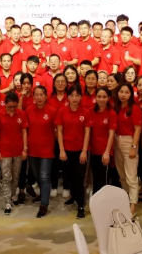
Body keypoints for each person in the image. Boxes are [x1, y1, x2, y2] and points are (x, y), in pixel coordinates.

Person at [56, 86, 91, 220]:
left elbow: (87, 132)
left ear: (81, 97)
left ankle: (81, 206)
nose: (74, 98)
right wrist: (61, 149)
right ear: (68, 97)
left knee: (79, 179)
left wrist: (84, 151)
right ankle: (73, 197)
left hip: (81, 151)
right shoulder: (62, 111)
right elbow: (60, 131)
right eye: (72, 95)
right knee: (69, 177)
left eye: (77, 95)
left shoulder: (86, 112)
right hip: (67, 150)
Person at [0, 92, 28, 216]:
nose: (12, 109)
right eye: (10, 106)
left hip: (18, 150)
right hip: (4, 151)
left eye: (14, 106)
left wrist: (25, 149)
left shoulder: (21, 114)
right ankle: (7, 202)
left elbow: (24, 132)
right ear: (5, 104)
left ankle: (12, 196)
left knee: (15, 176)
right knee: (6, 177)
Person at [25, 85, 56, 217]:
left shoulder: (52, 111)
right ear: (33, 97)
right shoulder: (29, 110)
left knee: (44, 176)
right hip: (32, 149)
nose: (39, 97)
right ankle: (44, 194)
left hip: (47, 149)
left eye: (41, 94)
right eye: (36, 95)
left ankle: (44, 204)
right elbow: (25, 129)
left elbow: (57, 131)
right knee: (38, 176)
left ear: (46, 96)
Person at [114, 83, 142, 215]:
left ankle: (133, 206)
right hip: (116, 141)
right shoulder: (116, 107)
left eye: (126, 92)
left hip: (129, 141)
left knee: (131, 177)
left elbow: (138, 130)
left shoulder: (134, 109)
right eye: (121, 92)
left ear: (131, 94)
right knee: (122, 175)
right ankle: (126, 200)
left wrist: (133, 147)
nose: (123, 95)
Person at [90, 88, 117, 195]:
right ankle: (96, 202)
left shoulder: (111, 113)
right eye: (99, 97)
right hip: (93, 151)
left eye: (104, 97)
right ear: (95, 97)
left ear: (108, 98)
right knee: (95, 179)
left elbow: (111, 134)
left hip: (105, 152)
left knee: (103, 181)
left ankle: (104, 202)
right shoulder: (91, 111)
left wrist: (107, 152)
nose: (101, 99)